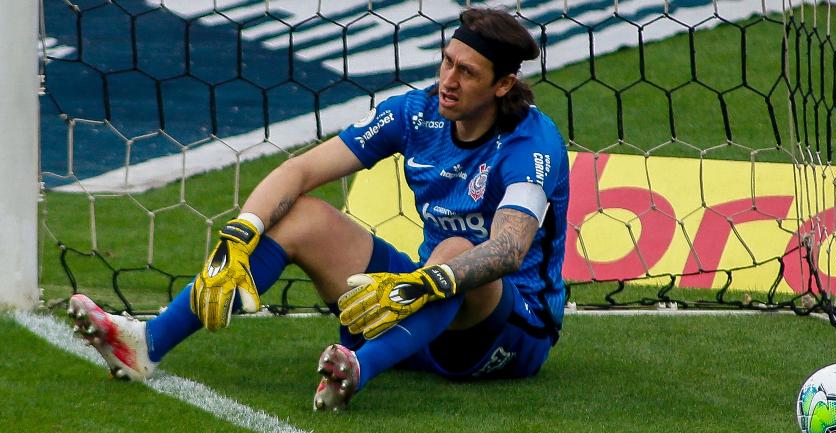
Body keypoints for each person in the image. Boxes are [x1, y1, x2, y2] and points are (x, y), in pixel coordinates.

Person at [68, 7, 570, 411]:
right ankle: (146, 343)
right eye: (446, 62)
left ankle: (356, 370)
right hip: (415, 311)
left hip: (507, 335)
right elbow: (300, 171)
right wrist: (239, 236)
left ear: (502, 85)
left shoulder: (531, 142)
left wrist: (423, 282)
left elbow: (507, 249)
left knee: (457, 250)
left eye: (467, 72)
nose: (448, 80)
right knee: (301, 215)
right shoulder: (416, 113)